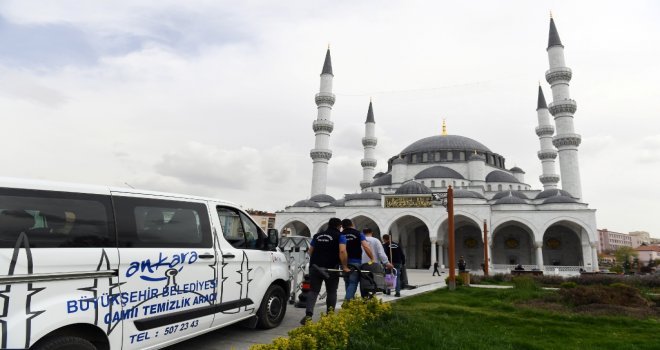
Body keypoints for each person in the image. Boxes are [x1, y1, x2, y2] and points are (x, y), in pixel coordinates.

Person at [302, 217, 350, 325]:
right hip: (331, 268)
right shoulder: (340, 236)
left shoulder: (317, 236)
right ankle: (330, 316)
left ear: (328, 225)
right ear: (339, 226)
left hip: (315, 267)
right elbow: (342, 251)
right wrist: (345, 266)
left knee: (313, 291)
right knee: (331, 291)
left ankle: (308, 315)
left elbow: (310, 252)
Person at [341, 219, 375, 301]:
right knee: (353, 282)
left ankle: (349, 299)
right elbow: (366, 246)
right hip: (355, 261)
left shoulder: (340, 234)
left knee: (347, 281)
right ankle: (348, 301)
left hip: (343, 262)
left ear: (342, 226)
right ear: (352, 224)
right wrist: (372, 258)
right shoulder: (358, 234)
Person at [361, 228, 393, 297]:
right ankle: (372, 297)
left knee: (363, 281)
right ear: (371, 232)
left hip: (363, 264)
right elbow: (380, 253)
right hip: (374, 264)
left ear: (363, 233)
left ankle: (364, 298)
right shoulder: (375, 240)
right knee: (374, 281)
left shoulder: (361, 240)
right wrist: (386, 262)